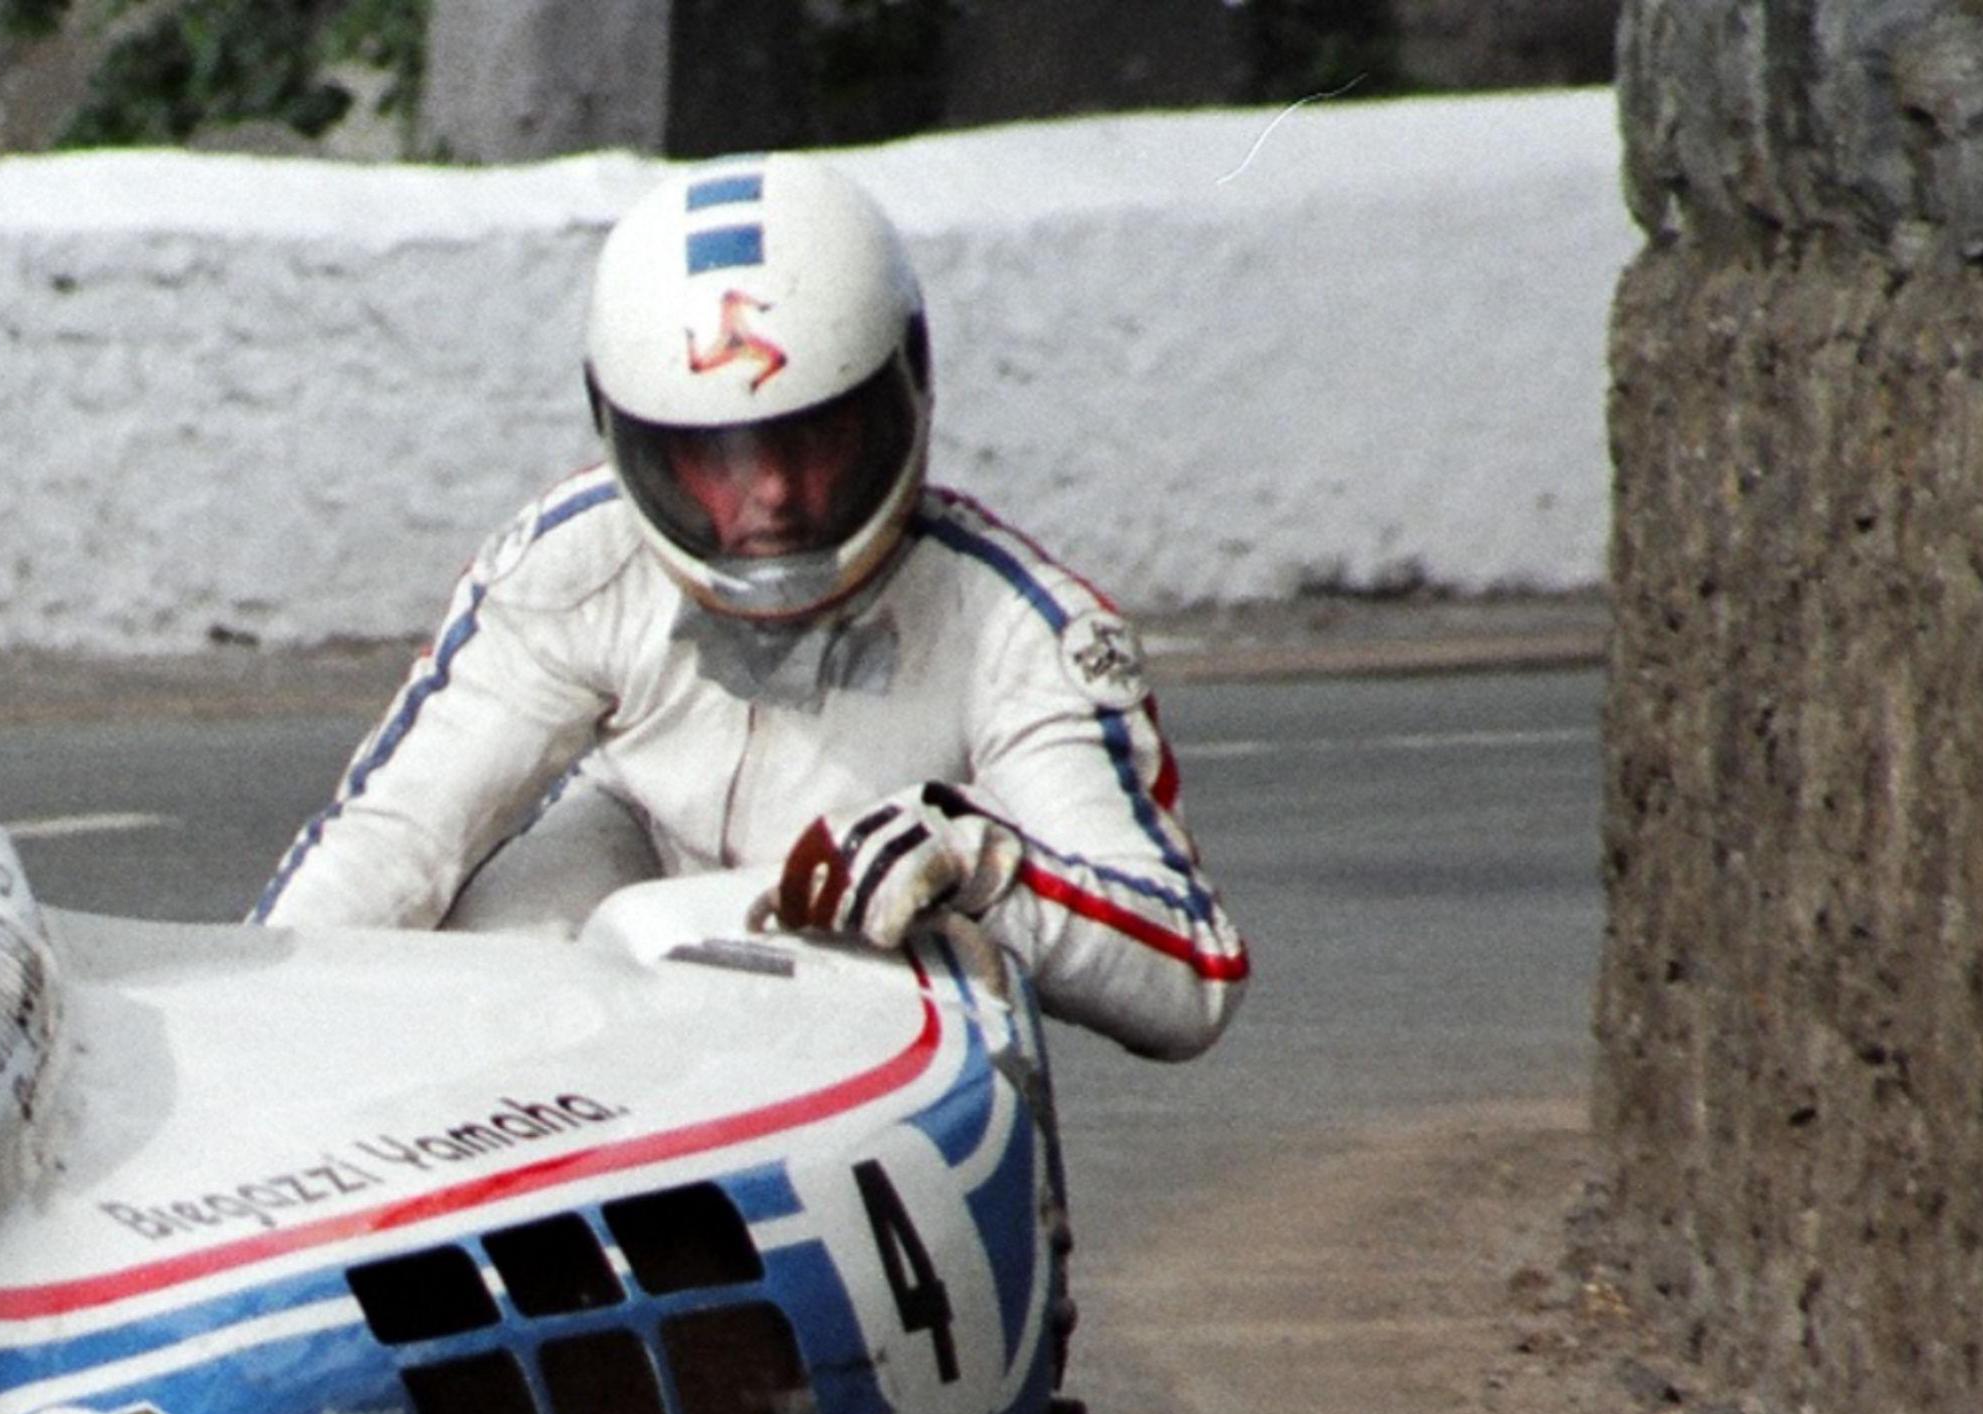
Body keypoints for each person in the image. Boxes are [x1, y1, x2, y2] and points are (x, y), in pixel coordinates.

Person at [253, 157, 1245, 1061]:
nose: (769, 492)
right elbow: (391, 843)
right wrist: (240, 1033)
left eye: (811, 439)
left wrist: (978, 867)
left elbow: (1189, 977)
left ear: (905, 388)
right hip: (630, 929)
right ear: (626, 437)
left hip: (870, 1029)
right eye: (710, 455)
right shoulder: (572, 563)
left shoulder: (1024, 626)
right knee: (498, 943)